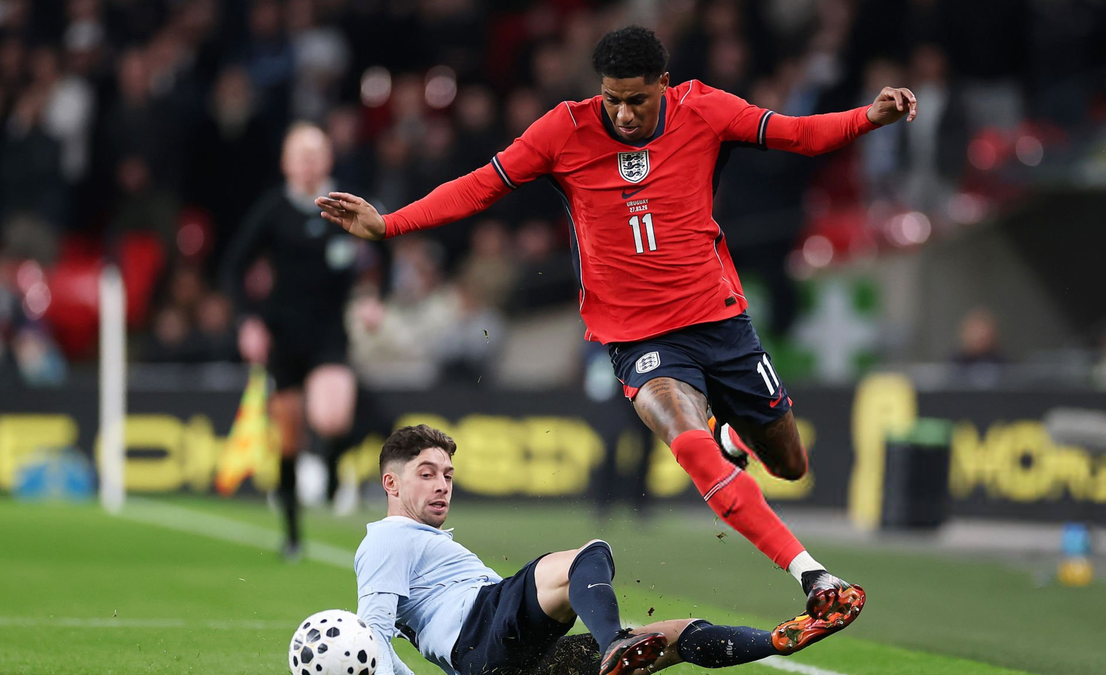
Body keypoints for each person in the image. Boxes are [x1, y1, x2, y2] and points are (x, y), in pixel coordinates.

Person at [321, 25, 915, 616]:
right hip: (639, 338)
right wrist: (389, 224)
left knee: (790, 463)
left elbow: (799, 134)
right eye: (612, 99)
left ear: (663, 84)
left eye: (637, 100)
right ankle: (811, 574)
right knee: (689, 444)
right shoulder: (563, 129)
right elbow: (480, 187)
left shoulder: (704, 109)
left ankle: (735, 434)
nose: (624, 114)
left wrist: (870, 116)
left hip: (720, 323)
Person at [355, 424, 863, 675]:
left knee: (675, 637)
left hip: (508, 660)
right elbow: (372, 633)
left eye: (447, 475)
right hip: (482, 628)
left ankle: (777, 640)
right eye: (427, 475)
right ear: (391, 484)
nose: (442, 485)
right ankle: (613, 641)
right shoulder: (387, 538)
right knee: (585, 556)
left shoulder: (419, 541)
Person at [220, 122, 377, 559]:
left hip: (329, 333)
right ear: (286, 163)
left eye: (315, 154)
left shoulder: (347, 203)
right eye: (299, 155)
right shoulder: (274, 210)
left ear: (328, 159)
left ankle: (330, 465)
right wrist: (248, 321)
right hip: (284, 336)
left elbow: (384, 244)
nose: (308, 163)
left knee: (332, 418)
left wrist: (372, 297)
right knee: (289, 437)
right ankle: (291, 535)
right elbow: (233, 268)